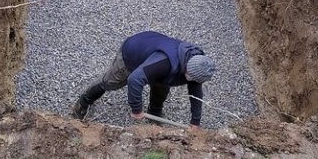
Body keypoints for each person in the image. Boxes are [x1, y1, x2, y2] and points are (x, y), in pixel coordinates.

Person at [72, 31, 216, 129]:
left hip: (153, 50)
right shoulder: (165, 63)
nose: (191, 80)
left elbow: (195, 92)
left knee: (162, 86)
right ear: (187, 68)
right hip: (133, 52)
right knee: (110, 82)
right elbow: (134, 80)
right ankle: (83, 102)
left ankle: (154, 113)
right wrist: (136, 109)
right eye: (190, 76)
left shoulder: (198, 65)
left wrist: (195, 121)